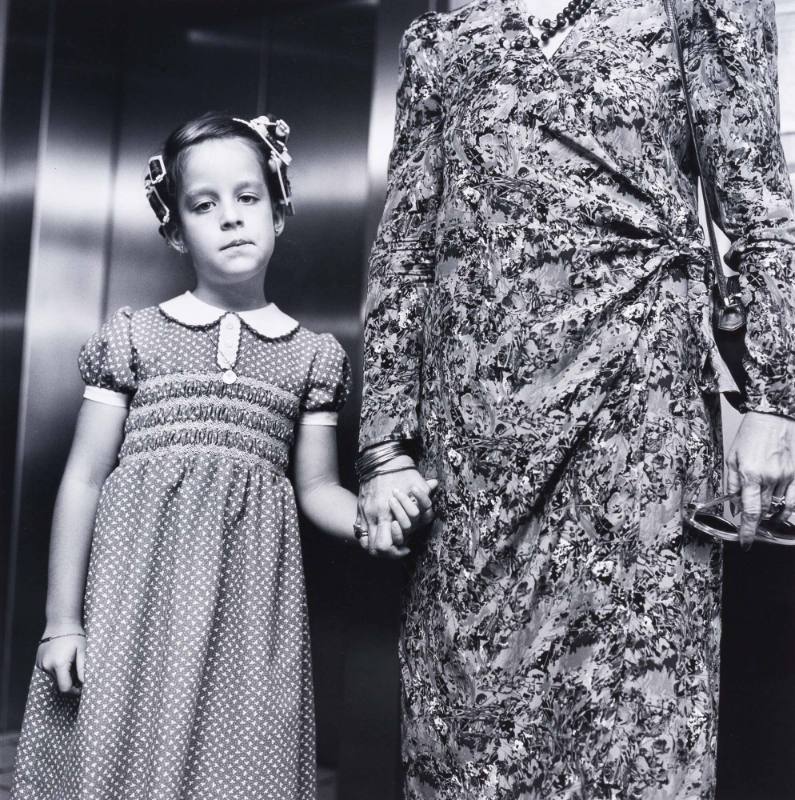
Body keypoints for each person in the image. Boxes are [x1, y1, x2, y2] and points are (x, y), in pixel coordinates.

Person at [356, 0, 795, 797]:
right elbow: (405, 250)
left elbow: (761, 212)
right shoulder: (444, 40)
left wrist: (772, 400)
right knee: (466, 732)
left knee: (634, 723)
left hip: (639, 418)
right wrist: (385, 448)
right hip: (476, 448)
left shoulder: (691, 9)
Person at [10, 111, 432, 800]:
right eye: (204, 205)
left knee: (238, 765)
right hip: (133, 599)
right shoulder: (133, 341)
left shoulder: (311, 358)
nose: (231, 218)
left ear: (280, 209)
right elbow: (84, 479)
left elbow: (318, 488)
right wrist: (62, 622)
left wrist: (373, 521)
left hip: (248, 610)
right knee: (125, 757)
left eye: (248, 198)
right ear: (175, 230)